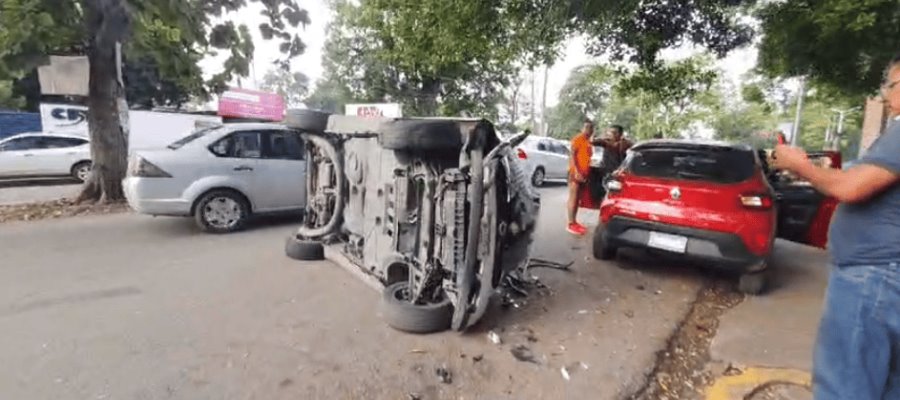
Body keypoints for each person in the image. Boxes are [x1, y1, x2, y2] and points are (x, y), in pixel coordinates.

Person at [773, 53, 900, 400]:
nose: (886, 96)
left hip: (874, 278)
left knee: (844, 388)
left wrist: (799, 166)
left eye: (890, 85)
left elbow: (850, 187)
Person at [567, 119, 594, 235]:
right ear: (582, 128)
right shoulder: (578, 139)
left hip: (583, 174)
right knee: (573, 198)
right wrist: (577, 171)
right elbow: (572, 155)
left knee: (577, 199)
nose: (589, 130)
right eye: (587, 127)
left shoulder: (588, 142)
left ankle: (574, 222)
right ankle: (570, 224)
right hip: (575, 173)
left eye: (591, 128)